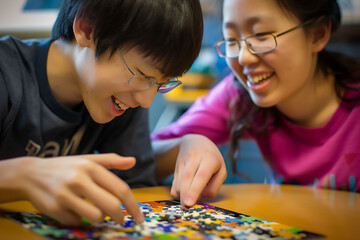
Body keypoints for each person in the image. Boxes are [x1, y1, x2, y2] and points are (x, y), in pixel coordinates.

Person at [0, 0, 224, 226]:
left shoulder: (120, 99)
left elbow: (137, 183)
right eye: (143, 75)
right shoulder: (6, 74)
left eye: (160, 84)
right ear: (87, 29)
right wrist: (23, 175)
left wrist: (185, 144)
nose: (146, 101)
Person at [152, 0, 360, 193]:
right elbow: (144, 156)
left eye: (261, 35)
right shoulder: (239, 95)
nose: (243, 57)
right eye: (232, 40)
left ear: (318, 34)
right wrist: (185, 144)